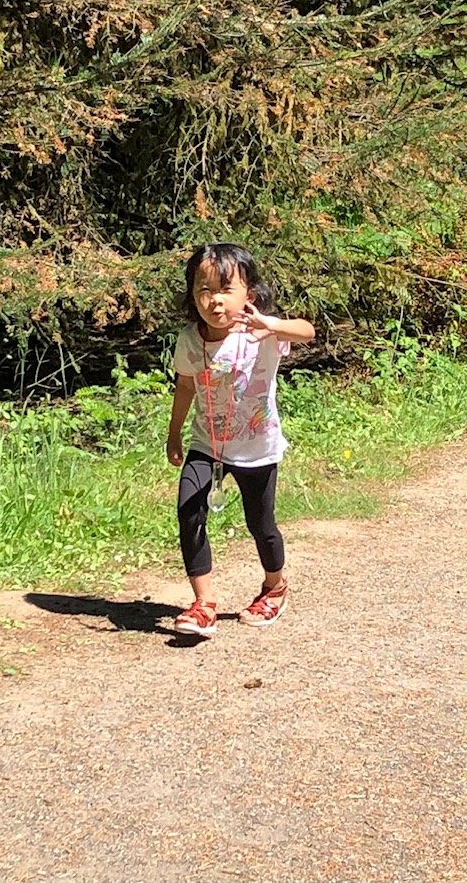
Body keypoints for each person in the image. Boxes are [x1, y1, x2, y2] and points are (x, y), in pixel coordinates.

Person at [166, 243, 315, 639]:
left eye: (225, 289)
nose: (214, 300)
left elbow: (307, 331)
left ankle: (275, 586)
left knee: (261, 523)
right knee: (189, 510)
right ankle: (204, 603)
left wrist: (271, 324)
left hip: (257, 448)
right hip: (207, 444)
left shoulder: (262, 332)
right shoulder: (189, 340)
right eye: (203, 289)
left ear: (248, 294)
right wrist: (174, 432)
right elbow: (184, 386)